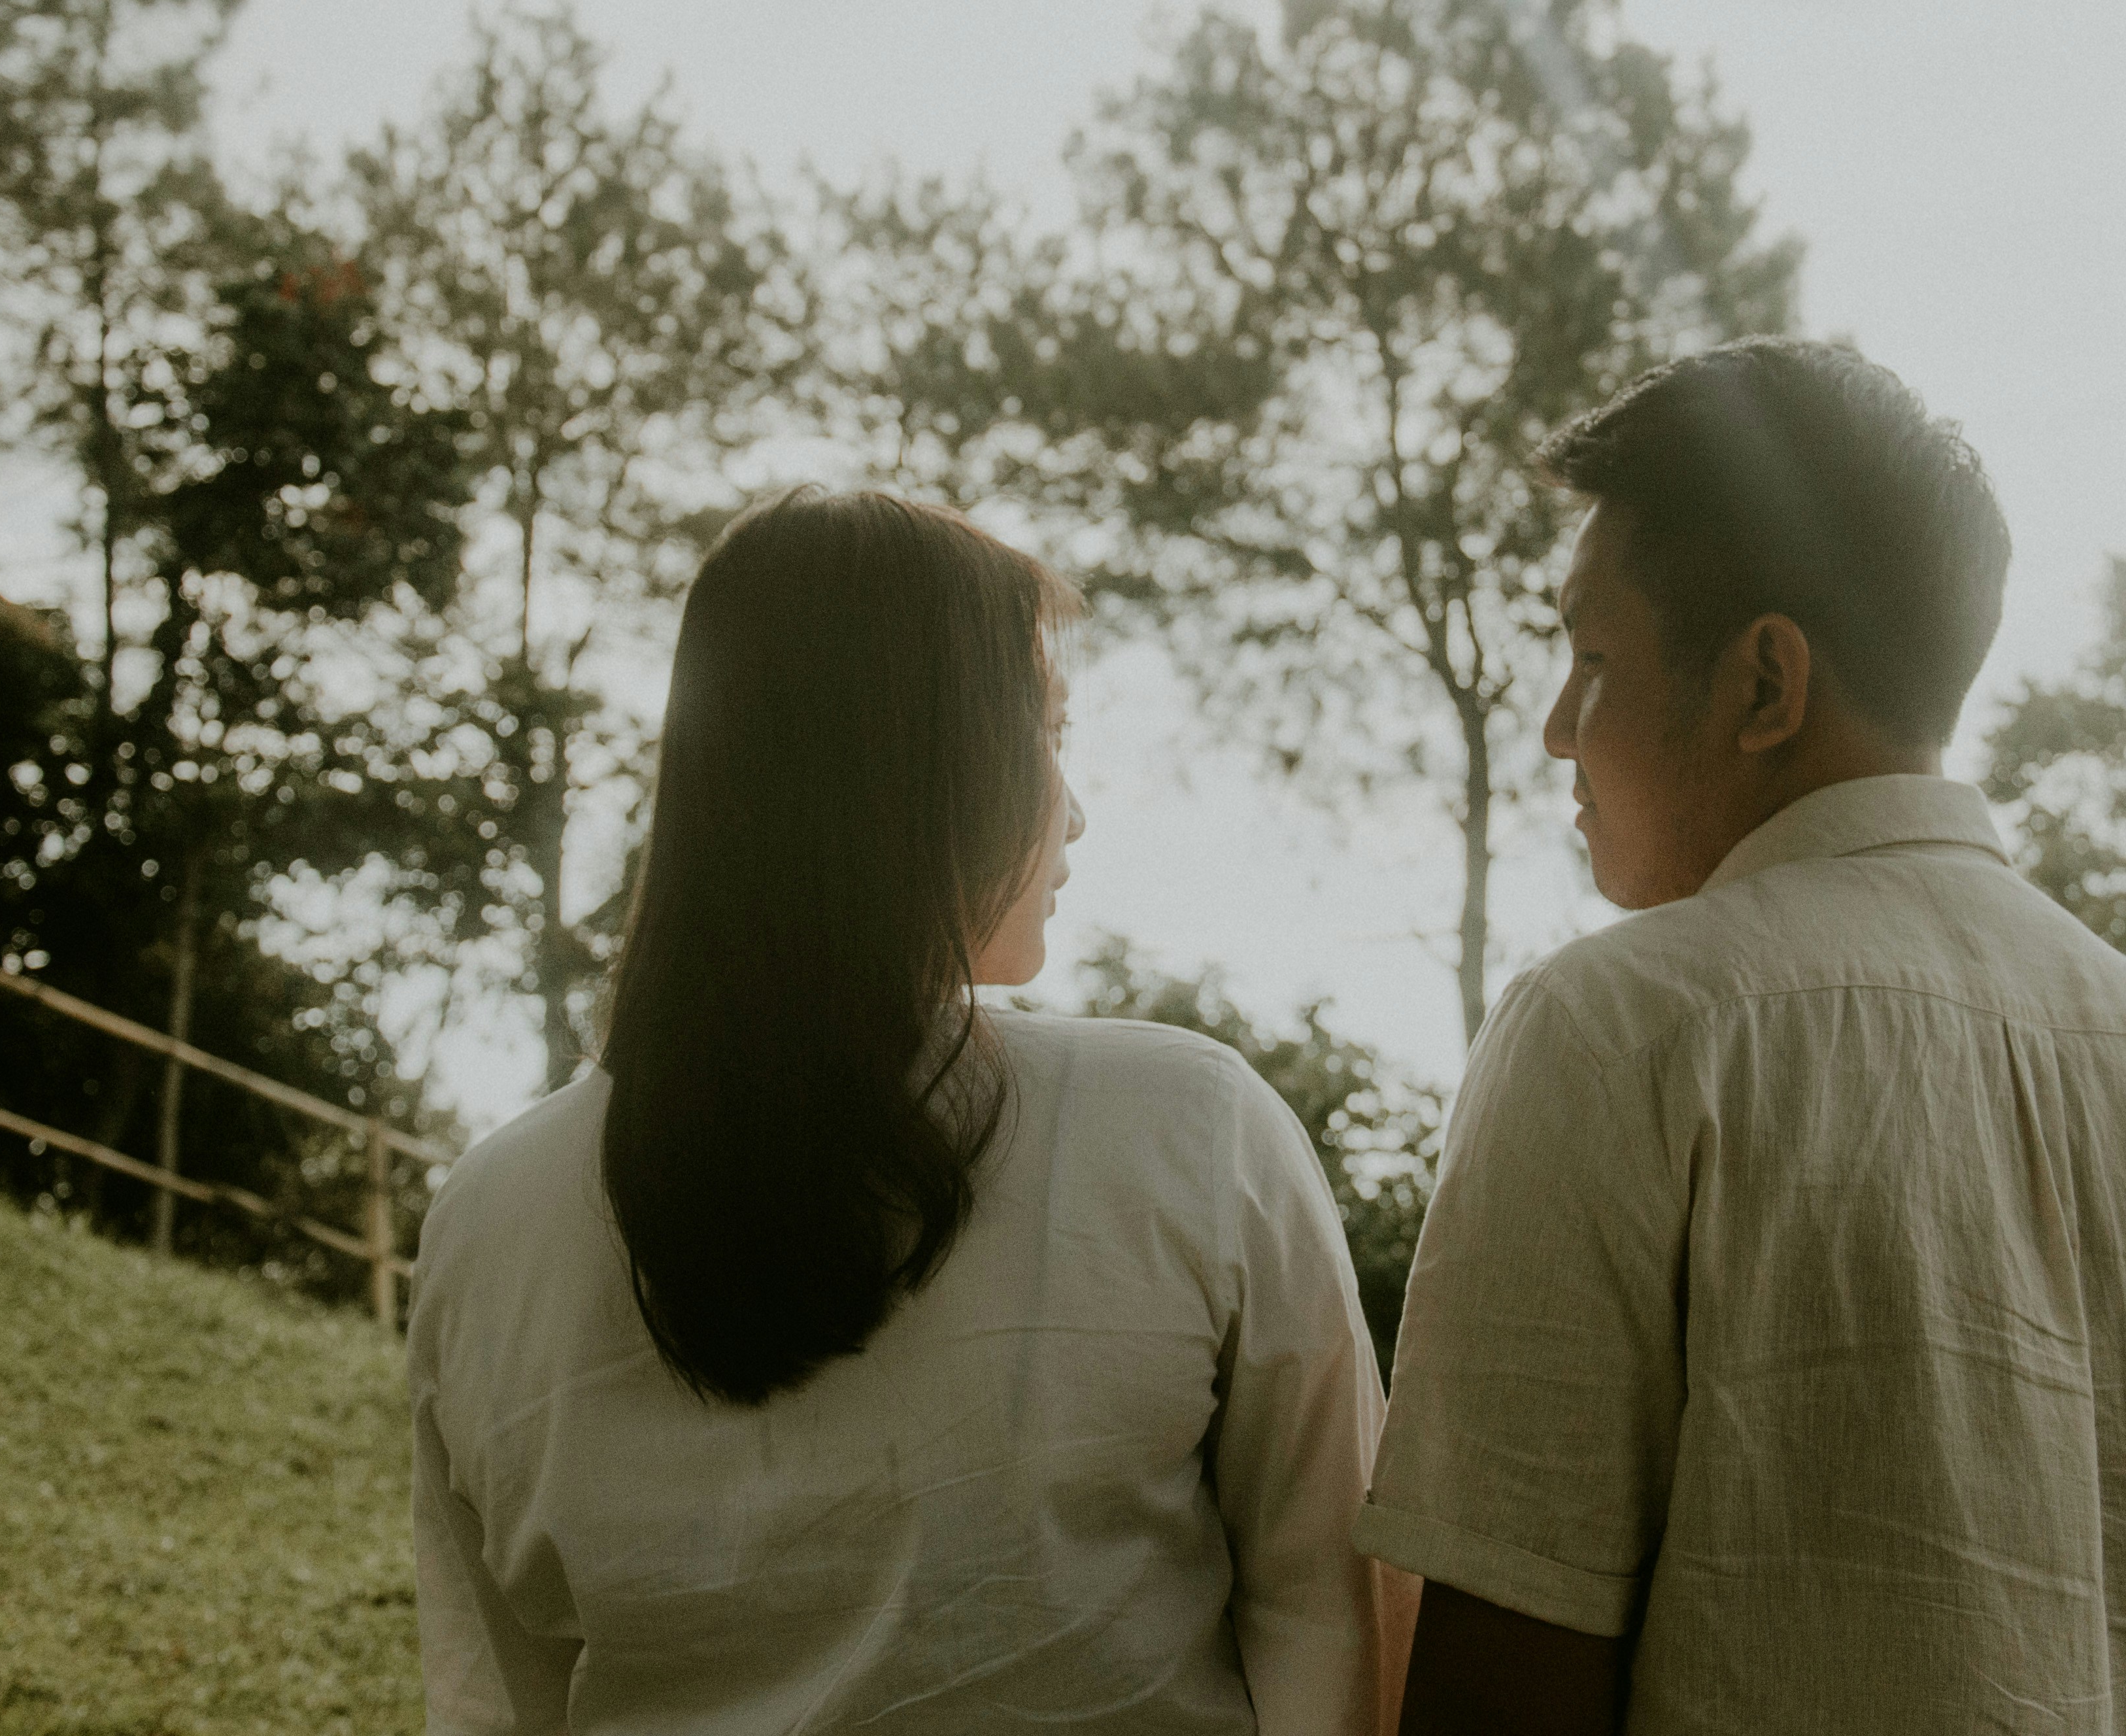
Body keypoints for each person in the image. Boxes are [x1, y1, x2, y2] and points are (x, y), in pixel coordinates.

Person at [1361, 341, 2126, 1734]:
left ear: (1764, 685)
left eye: (1592, 657)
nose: (1561, 728)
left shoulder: (1623, 1028)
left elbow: (1504, 1680)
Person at [410, 488, 1408, 1733]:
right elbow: (1335, 1626)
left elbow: (494, 1704)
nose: (1074, 808)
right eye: (1050, 732)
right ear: (935, 761)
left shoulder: (485, 1223)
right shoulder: (1192, 1134)